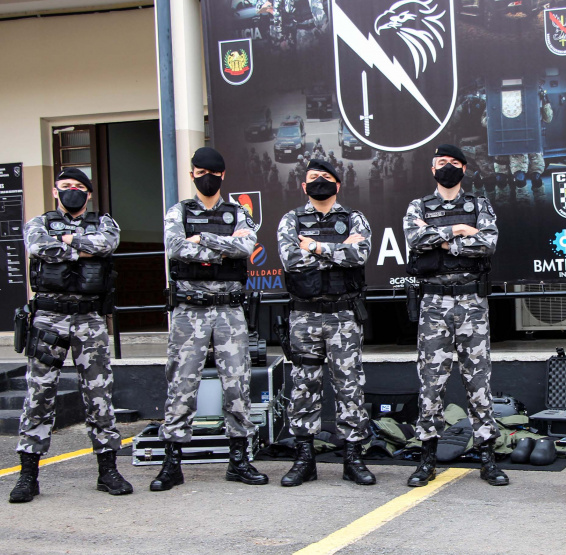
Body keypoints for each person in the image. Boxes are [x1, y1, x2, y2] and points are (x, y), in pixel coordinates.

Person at [10, 168, 131, 503]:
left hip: (89, 319)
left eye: (80, 187)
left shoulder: (104, 223)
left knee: (99, 397)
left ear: (89, 195)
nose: (73, 192)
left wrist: (66, 241)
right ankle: (27, 476)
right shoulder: (39, 223)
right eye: (66, 187)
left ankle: (107, 471)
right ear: (55, 190)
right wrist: (80, 248)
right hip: (48, 318)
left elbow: (106, 245)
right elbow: (38, 248)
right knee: (39, 396)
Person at [151, 147, 268, 491]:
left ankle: (239, 461)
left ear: (223, 175)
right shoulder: (179, 211)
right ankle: (172, 463)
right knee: (181, 384)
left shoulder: (237, 212)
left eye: (213, 172)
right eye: (200, 171)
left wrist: (201, 237)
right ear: (192, 174)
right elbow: (175, 248)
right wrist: (222, 245)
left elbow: (245, 247)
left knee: (237, 384)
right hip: (189, 310)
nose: (207, 177)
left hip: (229, 311)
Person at [402, 144, 508, 487]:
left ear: (463, 168)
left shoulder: (479, 205)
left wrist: (443, 241)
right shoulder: (417, 206)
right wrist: (460, 232)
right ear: (432, 169)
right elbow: (416, 239)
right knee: (431, 384)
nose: (446, 167)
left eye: (453, 162)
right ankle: (427, 458)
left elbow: (489, 243)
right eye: (440, 163)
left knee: (479, 382)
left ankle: (487, 458)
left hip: (471, 304)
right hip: (434, 305)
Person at [276, 159, 375, 486]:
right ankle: (304, 458)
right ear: (304, 186)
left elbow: (358, 256)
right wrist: (336, 251)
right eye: (313, 178)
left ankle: (353, 459)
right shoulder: (291, 220)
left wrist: (315, 246)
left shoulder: (353, 219)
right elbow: (291, 260)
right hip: (304, 316)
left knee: (350, 386)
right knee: (304, 385)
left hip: (343, 315)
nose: (320, 182)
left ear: (338, 184)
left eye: (326, 177)